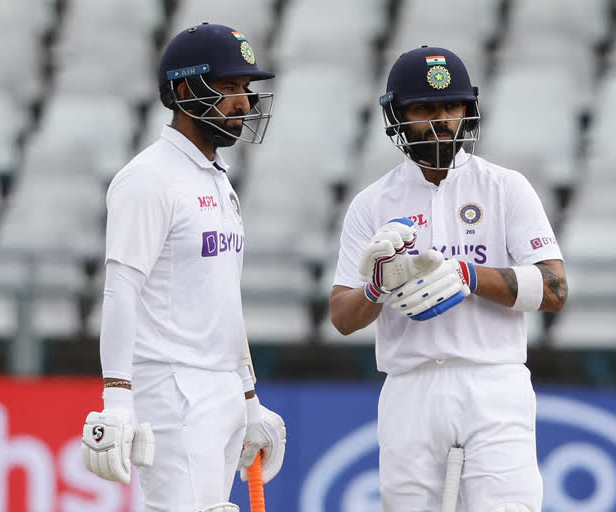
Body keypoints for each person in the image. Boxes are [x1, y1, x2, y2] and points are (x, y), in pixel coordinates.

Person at [330, 46, 567, 512]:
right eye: (424, 108)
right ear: (398, 115)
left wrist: (467, 275)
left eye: (452, 106)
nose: (441, 120)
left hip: (493, 382)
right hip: (410, 385)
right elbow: (341, 315)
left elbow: (556, 290)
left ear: (468, 110)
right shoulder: (372, 203)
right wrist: (376, 288)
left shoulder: (505, 187)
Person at [80, 24, 287, 512]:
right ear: (182, 90)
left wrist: (248, 397)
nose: (243, 102)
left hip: (218, 386)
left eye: (246, 89)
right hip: (171, 387)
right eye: (229, 87)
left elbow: (223, 302)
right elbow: (121, 290)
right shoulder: (148, 179)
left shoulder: (218, 182)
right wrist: (117, 397)